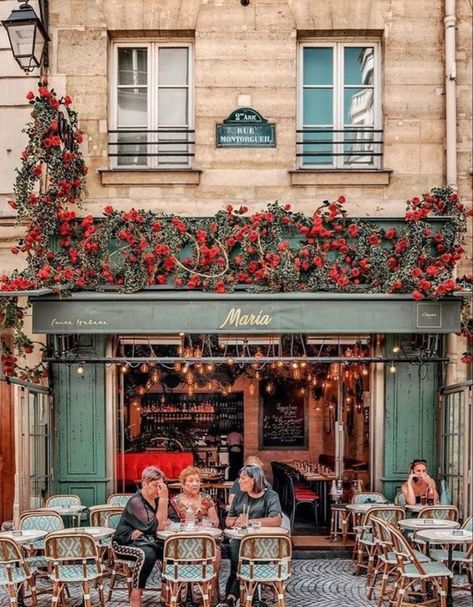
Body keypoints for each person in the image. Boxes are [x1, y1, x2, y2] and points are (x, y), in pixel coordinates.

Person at [219, 465, 282, 607]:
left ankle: (232, 596)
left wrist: (251, 522)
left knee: (242, 566)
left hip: (264, 543)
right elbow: (228, 521)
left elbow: (276, 520)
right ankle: (250, 599)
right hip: (240, 540)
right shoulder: (239, 496)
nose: (239, 481)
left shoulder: (271, 496)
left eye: (242, 478)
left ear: (254, 480)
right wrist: (237, 521)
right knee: (239, 564)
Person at [112, 466, 169, 607]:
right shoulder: (136, 502)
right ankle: (135, 595)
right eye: (156, 485)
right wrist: (164, 499)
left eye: (161, 486)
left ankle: (166, 591)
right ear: (144, 484)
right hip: (124, 542)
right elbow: (159, 525)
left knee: (169, 550)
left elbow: (167, 521)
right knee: (147, 554)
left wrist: (146, 529)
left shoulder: (156, 499)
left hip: (147, 540)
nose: (159, 490)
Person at [170, 466, 221, 602]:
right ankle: (177, 593)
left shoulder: (206, 499)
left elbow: (215, 522)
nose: (195, 484)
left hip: (204, 542)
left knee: (216, 553)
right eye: (191, 481)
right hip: (181, 543)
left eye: (197, 481)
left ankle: (212, 592)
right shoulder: (175, 501)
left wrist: (206, 523)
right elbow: (169, 523)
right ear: (183, 484)